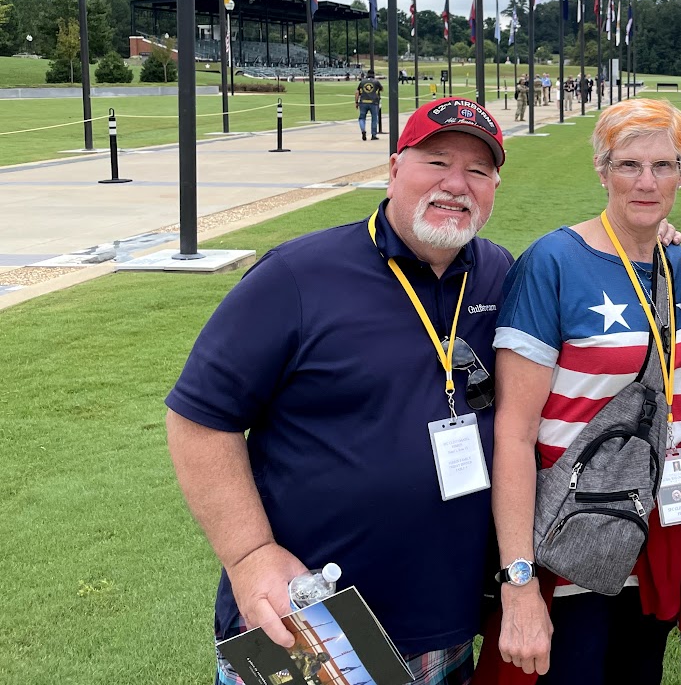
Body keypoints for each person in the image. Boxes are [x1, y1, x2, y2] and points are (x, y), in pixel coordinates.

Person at [166, 97, 512, 685]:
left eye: (477, 171)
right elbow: (201, 417)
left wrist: (648, 239)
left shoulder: (500, 273)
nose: (457, 185)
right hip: (306, 623)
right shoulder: (297, 277)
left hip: (445, 626)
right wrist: (249, 556)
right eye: (436, 161)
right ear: (395, 168)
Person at [491, 100, 681, 684]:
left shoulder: (680, 262)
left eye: (664, 165)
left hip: (657, 535)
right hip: (572, 538)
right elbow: (514, 434)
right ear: (602, 171)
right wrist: (519, 578)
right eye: (629, 164)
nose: (647, 181)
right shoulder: (554, 262)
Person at [356, 69, 383, 140]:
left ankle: (363, 130)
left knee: (362, 118)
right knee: (374, 118)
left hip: (363, 102)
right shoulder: (376, 82)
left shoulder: (362, 81)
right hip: (373, 102)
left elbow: (357, 92)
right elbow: (381, 89)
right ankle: (373, 135)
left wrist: (356, 102)